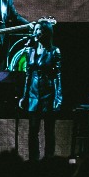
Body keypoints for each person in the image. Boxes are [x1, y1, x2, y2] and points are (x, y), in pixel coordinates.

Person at [18, 19, 63, 160]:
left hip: (48, 93)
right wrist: (24, 96)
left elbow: (58, 76)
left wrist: (58, 98)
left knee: (49, 130)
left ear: (46, 32)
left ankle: (49, 159)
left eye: (39, 30)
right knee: (33, 130)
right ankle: (34, 160)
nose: (36, 32)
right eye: (35, 29)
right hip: (33, 94)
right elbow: (28, 75)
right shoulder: (31, 51)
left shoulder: (54, 51)